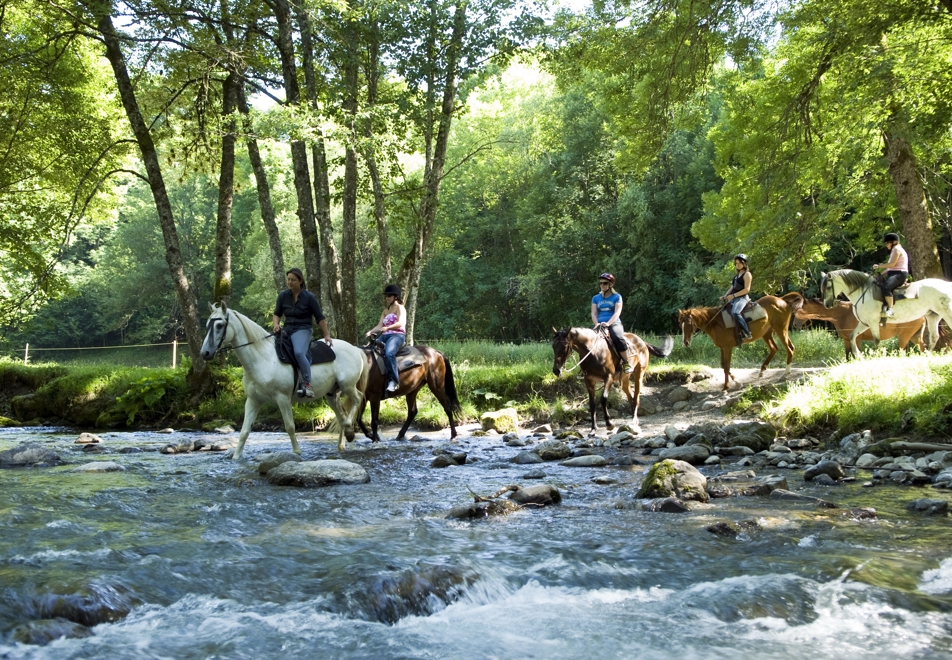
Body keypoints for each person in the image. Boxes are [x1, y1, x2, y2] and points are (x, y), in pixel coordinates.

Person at [272, 268, 332, 398]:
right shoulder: (283, 296)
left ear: (300, 281)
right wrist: (276, 325)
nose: (290, 282)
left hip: (303, 329)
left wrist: (326, 335)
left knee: (299, 352)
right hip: (287, 329)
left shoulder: (309, 297)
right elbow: (277, 314)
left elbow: (320, 318)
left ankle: (307, 384)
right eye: (288, 279)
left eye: (293, 280)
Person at [366, 284, 407, 392]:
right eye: (386, 296)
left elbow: (400, 323)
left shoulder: (400, 308)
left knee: (389, 353)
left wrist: (388, 327)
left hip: (397, 335)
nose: (387, 298)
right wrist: (371, 331)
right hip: (385, 335)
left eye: (389, 295)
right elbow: (380, 325)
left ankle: (394, 381)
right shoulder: (385, 311)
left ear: (395, 296)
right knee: (369, 349)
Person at [591, 273, 631, 373]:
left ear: (610, 285)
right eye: (600, 283)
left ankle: (626, 362)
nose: (602, 285)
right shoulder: (595, 298)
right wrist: (596, 324)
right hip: (599, 324)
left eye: (604, 283)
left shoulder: (617, 297)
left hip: (614, 323)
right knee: (588, 341)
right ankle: (587, 367)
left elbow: (617, 312)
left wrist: (608, 323)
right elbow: (594, 313)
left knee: (618, 337)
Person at [873, 232, 909, 317]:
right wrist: (880, 275)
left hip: (899, 273)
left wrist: (879, 266)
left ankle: (891, 309)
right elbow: (890, 268)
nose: (886, 245)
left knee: (886, 287)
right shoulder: (894, 250)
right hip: (894, 273)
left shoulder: (897, 250)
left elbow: (892, 264)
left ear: (894, 242)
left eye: (887, 243)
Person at [720, 254, 753, 341]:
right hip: (734, 298)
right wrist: (725, 296)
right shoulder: (736, 276)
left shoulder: (747, 274)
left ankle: (747, 332)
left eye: (740, 263)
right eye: (736, 263)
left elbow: (747, 289)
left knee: (735, 312)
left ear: (744, 263)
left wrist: (734, 295)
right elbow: (732, 288)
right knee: (723, 310)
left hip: (743, 298)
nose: (738, 265)